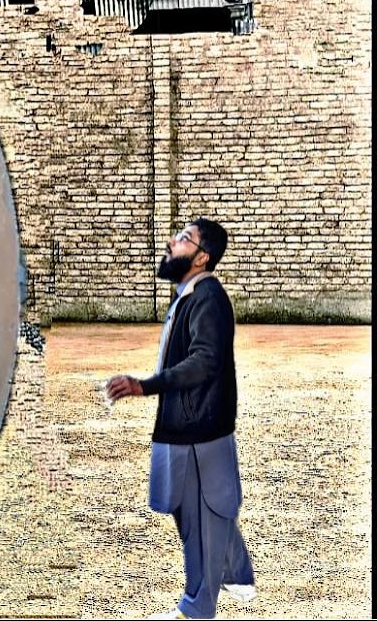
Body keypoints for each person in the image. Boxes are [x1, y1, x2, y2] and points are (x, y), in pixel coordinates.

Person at [106, 218, 256, 620]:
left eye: (184, 239)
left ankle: (196, 610)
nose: (172, 243)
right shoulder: (189, 295)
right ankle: (238, 574)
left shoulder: (207, 296)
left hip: (198, 429)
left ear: (202, 256)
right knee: (195, 507)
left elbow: (204, 362)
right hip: (186, 424)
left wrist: (144, 386)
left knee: (199, 520)